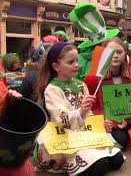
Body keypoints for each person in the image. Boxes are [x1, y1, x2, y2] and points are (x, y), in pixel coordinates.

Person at [34, 42, 124, 176]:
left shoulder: (81, 85)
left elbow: (89, 113)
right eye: (71, 62)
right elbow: (61, 118)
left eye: (76, 61)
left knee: (117, 159)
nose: (76, 65)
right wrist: (81, 111)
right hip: (65, 136)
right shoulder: (52, 89)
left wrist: (100, 125)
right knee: (101, 165)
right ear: (56, 66)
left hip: (84, 132)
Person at [83, 37, 131, 149]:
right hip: (107, 124)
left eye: (119, 52)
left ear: (125, 54)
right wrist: (110, 122)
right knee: (122, 140)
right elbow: (91, 109)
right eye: (110, 53)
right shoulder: (91, 79)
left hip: (126, 122)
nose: (115, 56)